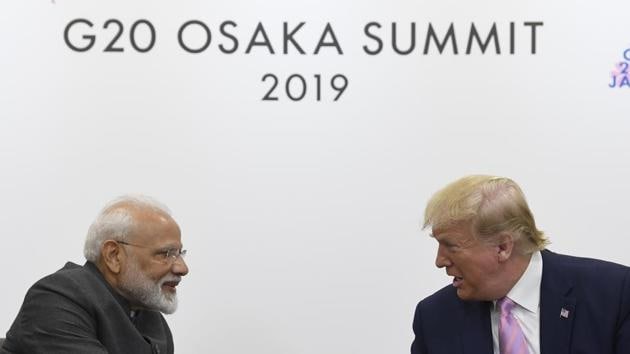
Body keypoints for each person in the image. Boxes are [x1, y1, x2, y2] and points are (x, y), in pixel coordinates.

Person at [411, 175, 630, 354]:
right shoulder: (434, 318)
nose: (440, 261)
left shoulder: (615, 295)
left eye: (452, 246)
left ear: (503, 247)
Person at [1, 195, 189, 354]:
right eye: (166, 254)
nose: (182, 268)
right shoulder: (57, 297)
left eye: (180, 253)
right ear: (113, 255)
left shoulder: (150, 316)